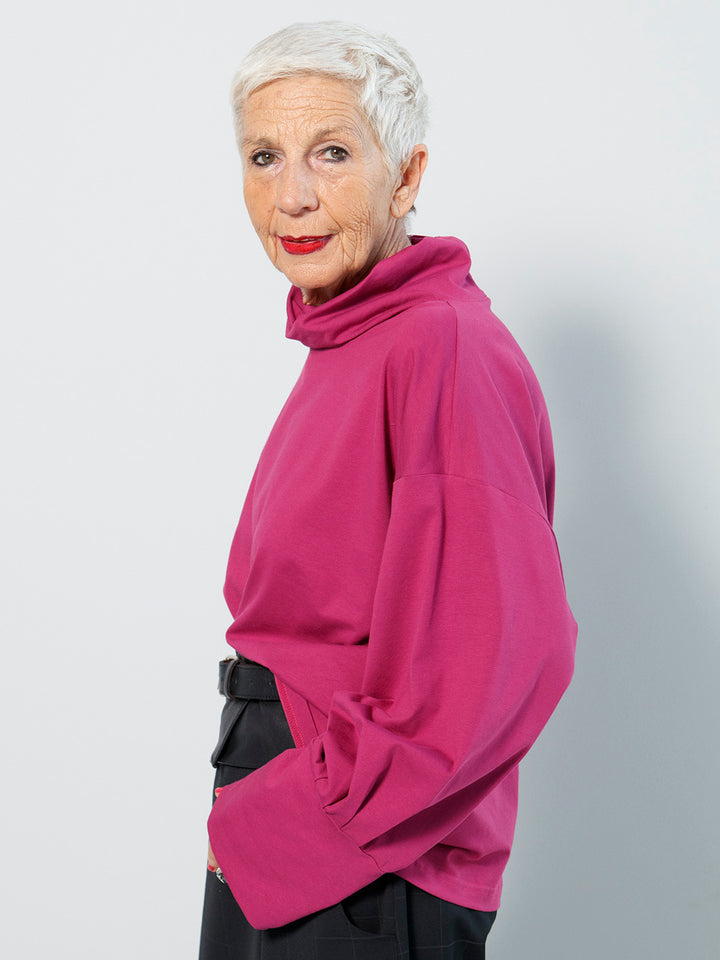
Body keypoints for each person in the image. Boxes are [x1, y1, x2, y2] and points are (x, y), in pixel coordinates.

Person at [199, 20, 577, 960]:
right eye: (264, 156)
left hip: (363, 860)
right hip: (308, 815)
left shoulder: (439, 344)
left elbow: (495, 658)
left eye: (332, 152)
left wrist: (286, 821)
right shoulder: (356, 338)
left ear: (405, 176)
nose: (292, 195)